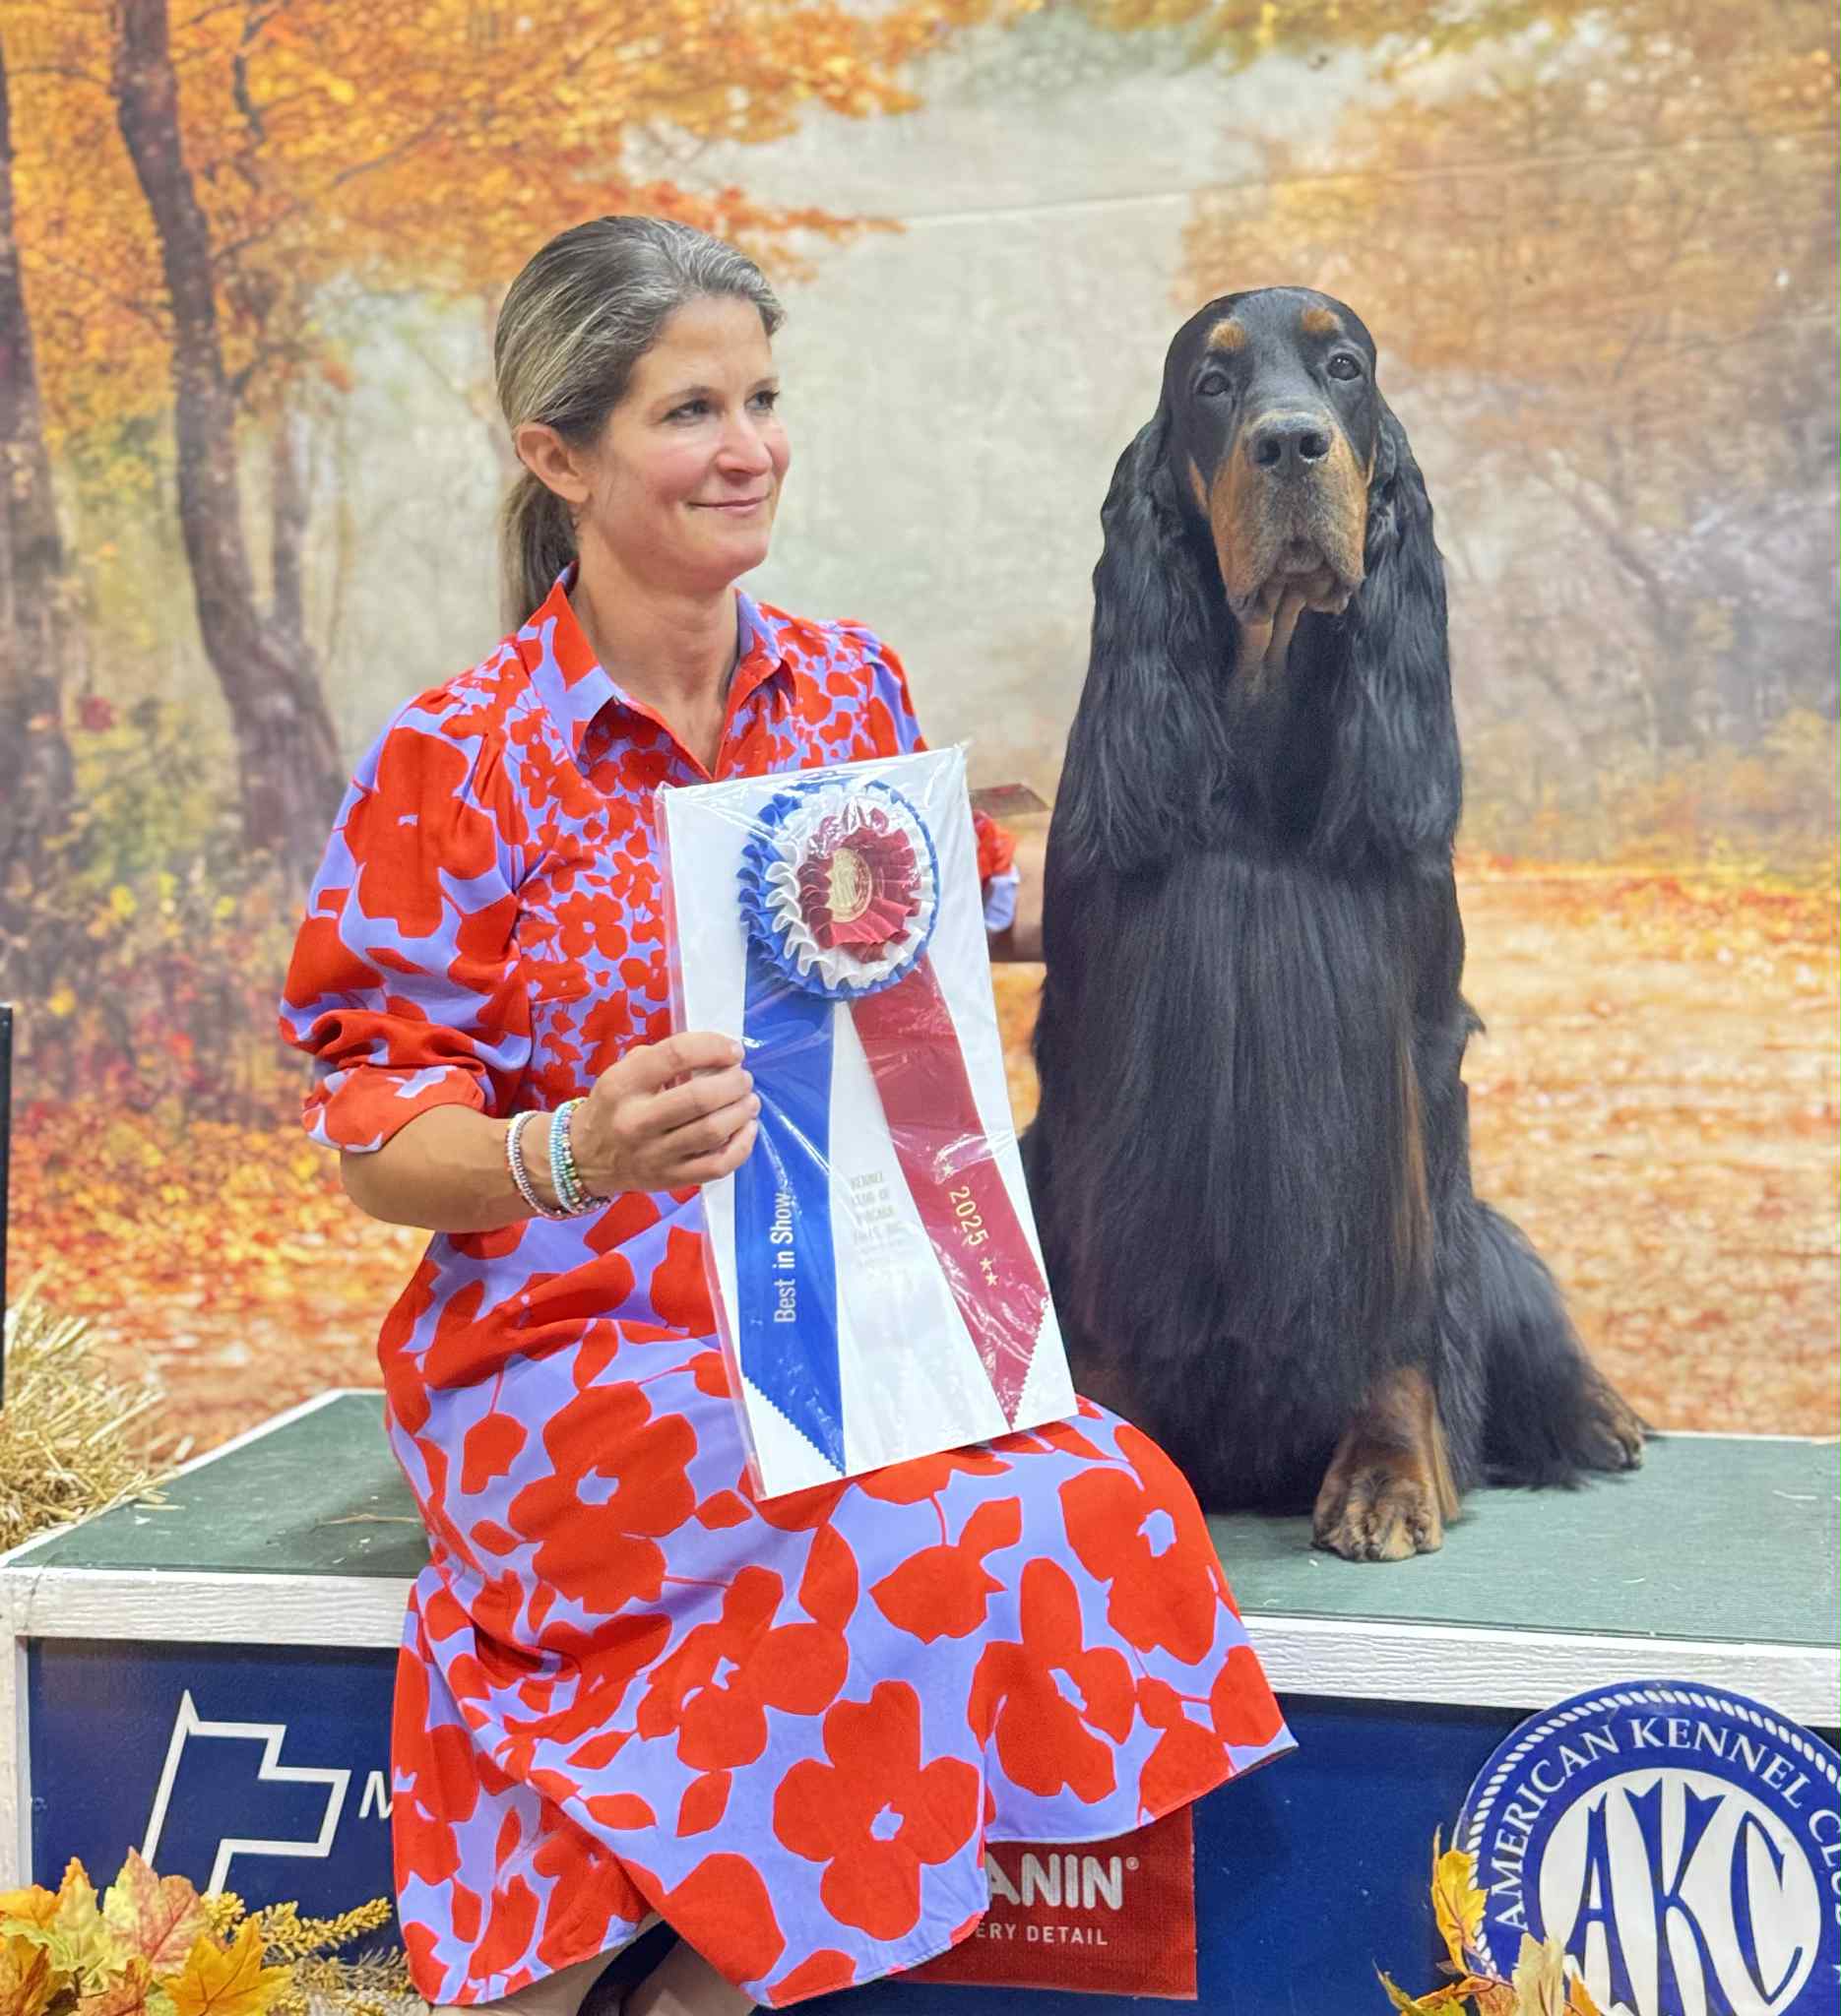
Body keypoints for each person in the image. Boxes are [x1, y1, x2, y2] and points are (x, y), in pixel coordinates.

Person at [279, 216, 1293, 2016]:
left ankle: (689, 1992)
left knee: (1105, 1495)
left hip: (862, 1324)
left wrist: (1234, 760)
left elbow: (976, 917)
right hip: (575, 1351)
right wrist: (571, 1151)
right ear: (557, 458)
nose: (748, 447)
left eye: (760, 399)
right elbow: (378, 1142)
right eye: (689, 412)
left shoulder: (849, 688)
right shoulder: (458, 757)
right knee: (876, 1536)